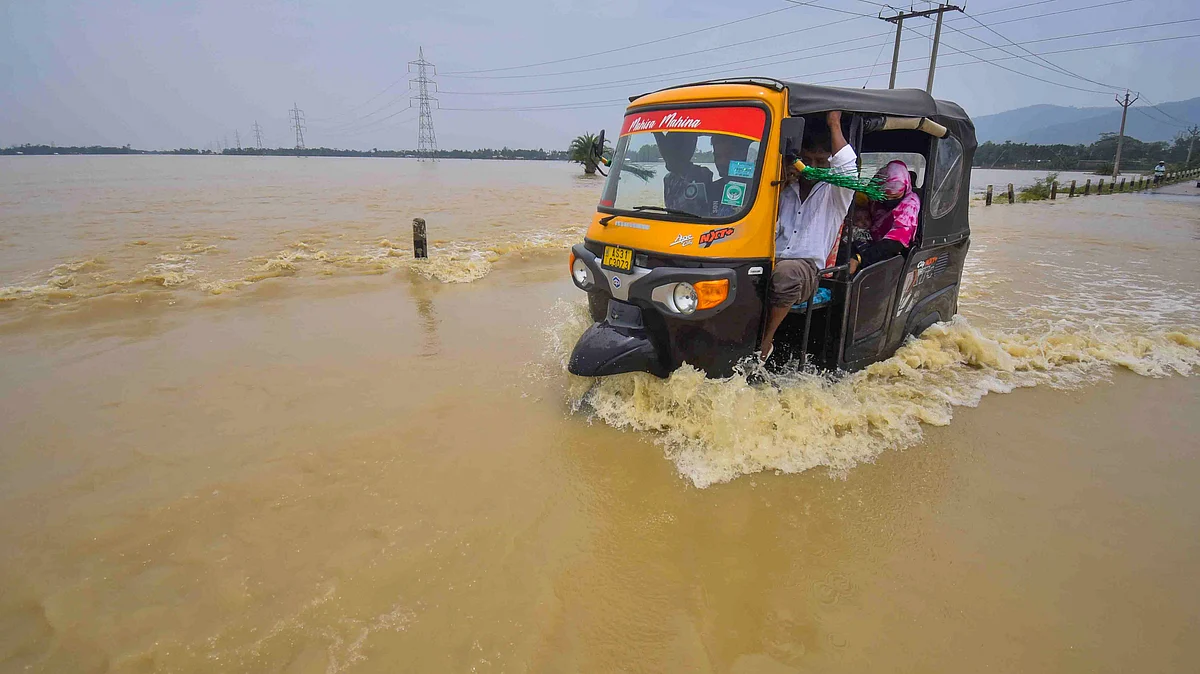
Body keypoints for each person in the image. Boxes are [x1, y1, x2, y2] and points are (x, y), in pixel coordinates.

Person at [758, 110, 856, 361]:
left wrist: (834, 123)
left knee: (786, 274)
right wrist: (781, 182)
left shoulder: (835, 193)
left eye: (821, 162)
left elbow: (846, 169)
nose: (812, 168)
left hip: (806, 268)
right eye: (807, 160)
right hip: (769, 257)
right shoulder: (783, 187)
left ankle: (764, 343)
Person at [847, 160, 920, 275]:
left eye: (895, 196)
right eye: (886, 196)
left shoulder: (909, 205)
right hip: (866, 240)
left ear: (905, 188)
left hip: (888, 253)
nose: (889, 201)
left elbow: (895, 242)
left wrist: (859, 258)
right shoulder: (876, 194)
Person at [656, 132, 713, 215]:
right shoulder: (668, 179)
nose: (666, 157)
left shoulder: (702, 175)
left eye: (670, 153)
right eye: (665, 153)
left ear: (686, 152)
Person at [709, 135, 753, 217]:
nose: (722, 162)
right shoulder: (714, 188)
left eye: (728, 155)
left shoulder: (754, 190)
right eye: (718, 156)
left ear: (742, 155)